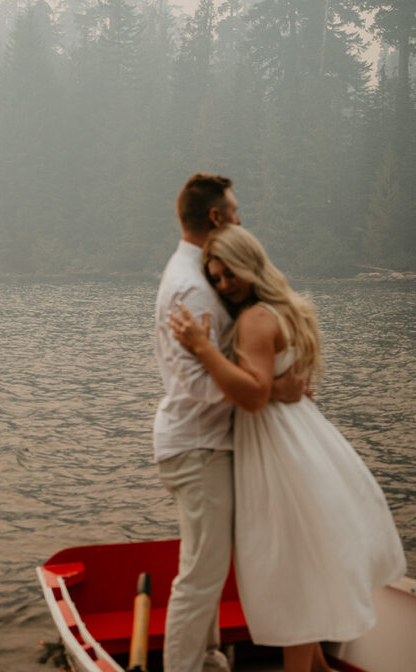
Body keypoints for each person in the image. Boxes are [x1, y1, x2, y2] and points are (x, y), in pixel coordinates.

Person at [169, 224, 406, 672]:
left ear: (249, 263)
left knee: (292, 579)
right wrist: (280, 385)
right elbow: (275, 383)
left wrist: (202, 348)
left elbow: (255, 393)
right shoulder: (288, 307)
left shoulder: (255, 319)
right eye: (215, 278)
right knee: (303, 560)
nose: (223, 285)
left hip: (276, 450)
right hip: (301, 440)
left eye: (228, 274)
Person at [153, 174, 305, 672]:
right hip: (196, 443)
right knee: (202, 571)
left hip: (206, 440)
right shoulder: (192, 288)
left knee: (210, 566)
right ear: (216, 217)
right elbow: (192, 382)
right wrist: (266, 390)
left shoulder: (196, 275)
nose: (241, 218)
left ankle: (211, 659)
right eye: (235, 210)